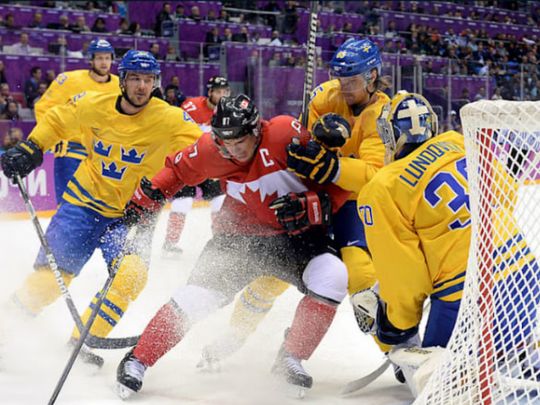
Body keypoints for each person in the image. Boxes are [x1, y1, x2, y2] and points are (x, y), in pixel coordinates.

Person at [115, 94, 350, 398]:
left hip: (297, 238)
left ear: (256, 129)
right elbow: (177, 170)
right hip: (238, 238)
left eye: (240, 141)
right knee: (195, 298)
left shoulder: (283, 133)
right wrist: (148, 197)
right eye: (226, 142)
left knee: (332, 276)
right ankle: (137, 359)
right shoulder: (212, 149)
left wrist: (316, 205)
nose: (234, 150)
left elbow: (335, 179)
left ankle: (291, 358)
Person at [199, 38, 393, 372]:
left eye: (352, 80)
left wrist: (332, 166)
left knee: (359, 274)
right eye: (341, 79)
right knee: (271, 274)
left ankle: (394, 348)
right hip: (310, 194)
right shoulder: (324, 96)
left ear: (372, 76)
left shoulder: (384, 115)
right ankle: (234, 336)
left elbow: (374, 176)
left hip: (352, 204)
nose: (344, 86)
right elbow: (300, 141)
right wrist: (308, 147)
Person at [0, 50, 202, 367]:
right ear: (122, 81)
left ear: (156, 83)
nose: (141, 86)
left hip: (131, 215)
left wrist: (214, 173)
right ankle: (5, 330)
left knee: (131, 276)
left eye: (148, 80)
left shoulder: (170, 118)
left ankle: (81, 343)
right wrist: (32, 146)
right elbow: (57, 120)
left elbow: (204, 147)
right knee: (51, 282)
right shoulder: (94, 104)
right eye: (135, 78)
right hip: (81, 206)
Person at [357, 92, 540, 395]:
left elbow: (403, 272)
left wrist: (396, 326)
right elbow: (506, 191)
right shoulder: (458, 141)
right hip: (524, 275)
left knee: (440, 390)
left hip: (465, 300)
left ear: (392, 135)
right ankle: (520, 358)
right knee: (506, 360)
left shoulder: (383, 186)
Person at [34, 39, 120, 204]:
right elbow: (44, 107)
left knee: (100, 207)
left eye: (107, 58)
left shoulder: (120, 86)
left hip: (104, 155)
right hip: (72, 151)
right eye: (99, 58)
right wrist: (53, 137)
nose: (104, 62)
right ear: (91, 60)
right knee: (68, 204)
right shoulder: (68, 80)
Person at [161, 75, 231, 256]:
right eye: (218, 92)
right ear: (210, 92)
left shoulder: (228, 113)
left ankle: (220, 243)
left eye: (225, 92)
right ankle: (169, 244)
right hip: (188, 162)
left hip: (211, 165)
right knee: (182, 203)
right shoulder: (191, 107)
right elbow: (175, 128)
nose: (222, 96)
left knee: (219, 202)